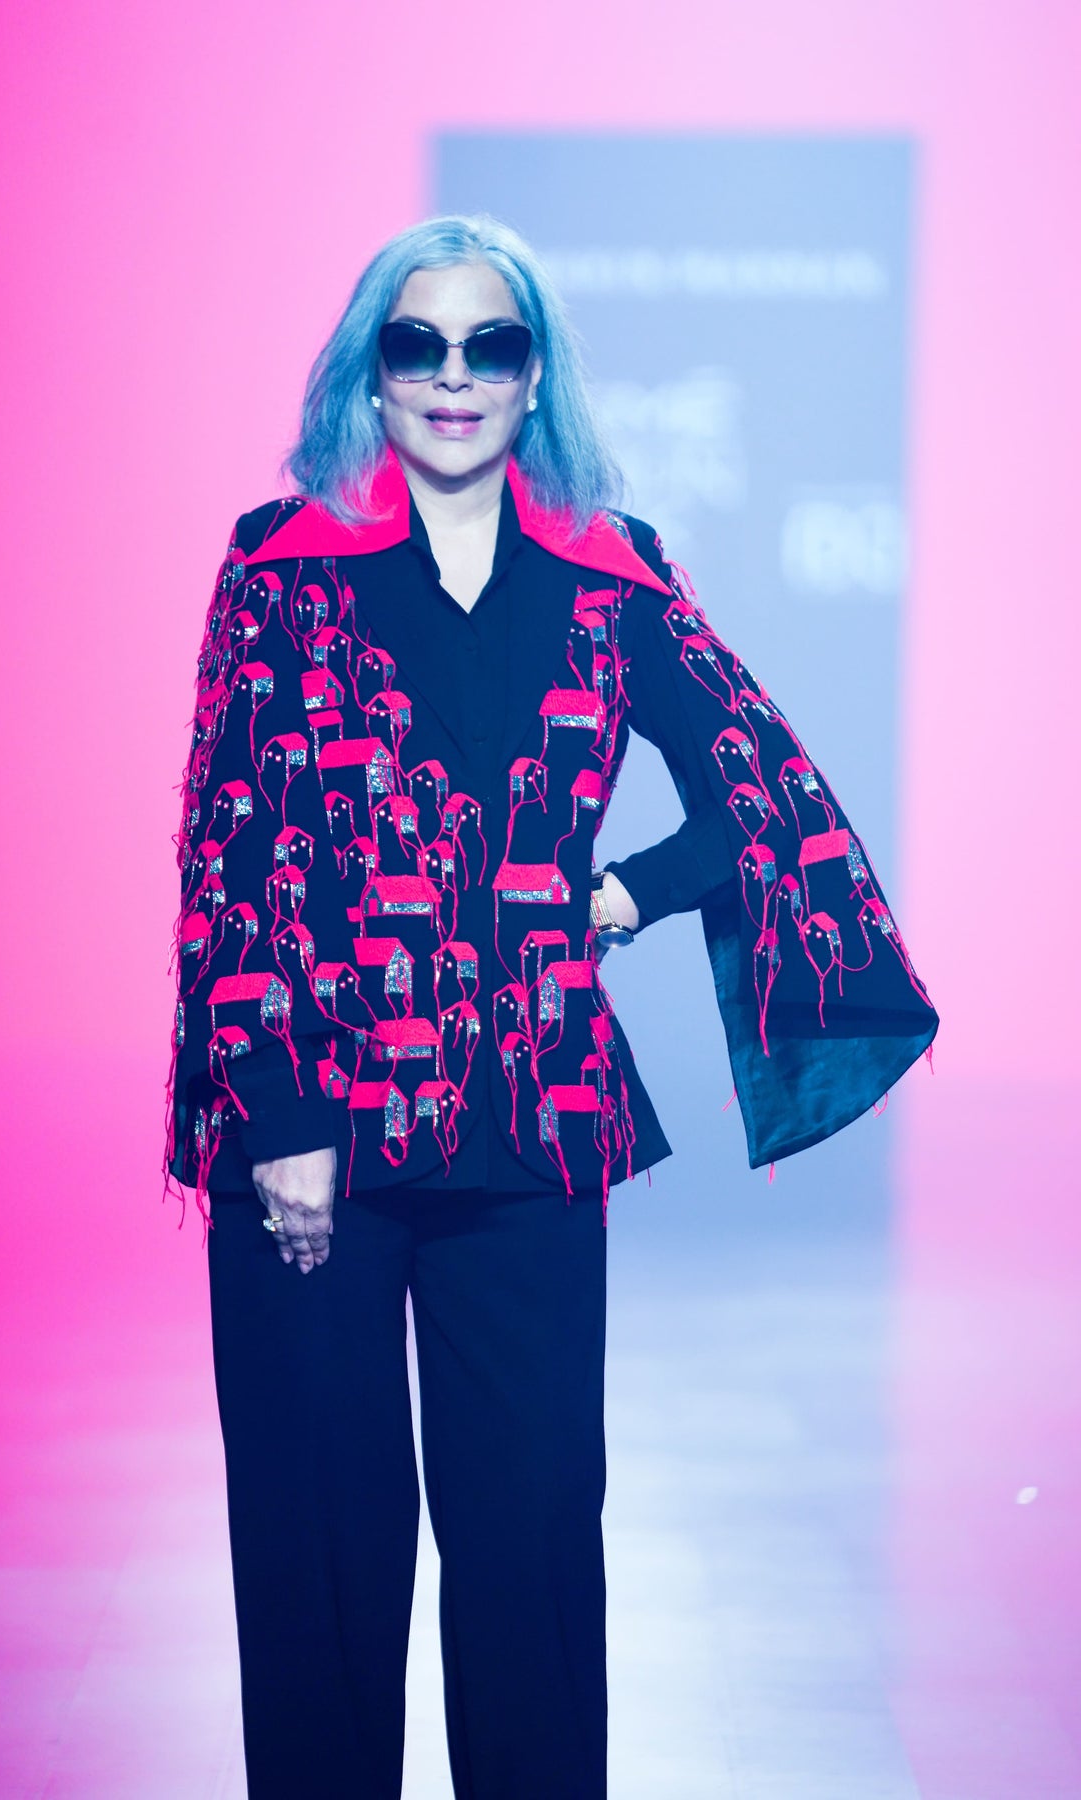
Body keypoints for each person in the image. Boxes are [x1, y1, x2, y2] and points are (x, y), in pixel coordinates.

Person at [163, 213, 939, 1799]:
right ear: (371, 373)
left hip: (531, 1118)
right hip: (312, 1127)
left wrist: (624, 892)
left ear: (536, 378)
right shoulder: (277, 566)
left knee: (529, 1554)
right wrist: (281, 1122)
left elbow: (758, 788)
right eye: (418, 343)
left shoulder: (613, 569)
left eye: (490, 344)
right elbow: (228, 847)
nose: (454, 375)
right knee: (319, 1559)